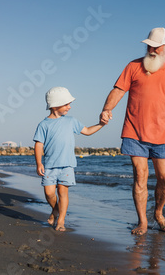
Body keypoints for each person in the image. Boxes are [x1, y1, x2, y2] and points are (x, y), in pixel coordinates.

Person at [100, 27, 165, 235]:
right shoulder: (134, 66)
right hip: (134, 132)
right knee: (140, 176)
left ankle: (158, 213)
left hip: (163, 135)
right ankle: (142, 221)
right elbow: (119, 90)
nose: (151, 49)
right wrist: (106, 109)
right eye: (149, 45)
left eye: (156, 46)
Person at [34, 87, 107, 231]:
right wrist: (38, 163)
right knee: (49, 193)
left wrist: (101, 124)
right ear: (55, 105)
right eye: (66, 104)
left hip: (67, 165)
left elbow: (86, 131)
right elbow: (38, 145)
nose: (69, 106)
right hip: (49, 165)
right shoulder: (43, 125)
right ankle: (55, 210)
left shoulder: (71, 121)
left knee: (63, 192)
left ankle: (61, 220)